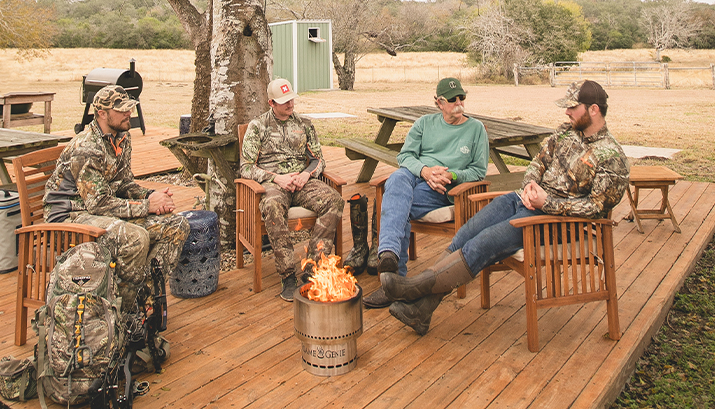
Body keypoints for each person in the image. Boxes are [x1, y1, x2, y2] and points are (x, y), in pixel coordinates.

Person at [380, 79, 631, 336]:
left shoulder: (611, 156)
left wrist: (547, 203)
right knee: (467, 233)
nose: (567, 112)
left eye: (572, 107)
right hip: (522, 201)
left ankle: (414, 288)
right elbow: (537, 163)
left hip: (555, 222)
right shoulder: (566, 133)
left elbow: (596, 208)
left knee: (483, 243)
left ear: (593, 109)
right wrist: (531, 184)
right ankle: (422, 309)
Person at [44, 84, 190, 313]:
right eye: (121, 110)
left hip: (100, 211)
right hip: (70, 216)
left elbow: (123, 183)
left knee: (177, 225)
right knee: (136, 238)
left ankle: (143, 300)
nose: (128, 113)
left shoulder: (121, 138)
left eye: (129, 108)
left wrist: (151, 195)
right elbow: (98, 203)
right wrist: (146, 206)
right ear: (102, 114)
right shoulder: (86, 148)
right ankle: (121, 314)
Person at [363, 77, 490, 309]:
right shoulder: (424, 123)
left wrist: (452, 175)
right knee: (397, 178)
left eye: (461, 97)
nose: (459, 102)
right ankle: (390, 257)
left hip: (445, 188)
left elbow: (479, 172)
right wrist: (425, 171)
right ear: (439, 103)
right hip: (418, 175)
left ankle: (392, 278)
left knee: (396, 205)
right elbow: (405, 156)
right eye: (452, 99)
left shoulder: (476, 129)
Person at [240, 78, 345, 302]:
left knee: (334, 200)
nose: (290, 104)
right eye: (284, 101)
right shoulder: (258, 126)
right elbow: (246, 167)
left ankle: (313, 268)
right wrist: (276, 178)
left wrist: (306, 174)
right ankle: (287, 275)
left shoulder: (304, 124)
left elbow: (318, 160)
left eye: (291, 99)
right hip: (273, 183)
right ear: (271, 102)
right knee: (272, 206)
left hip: (302, 181)